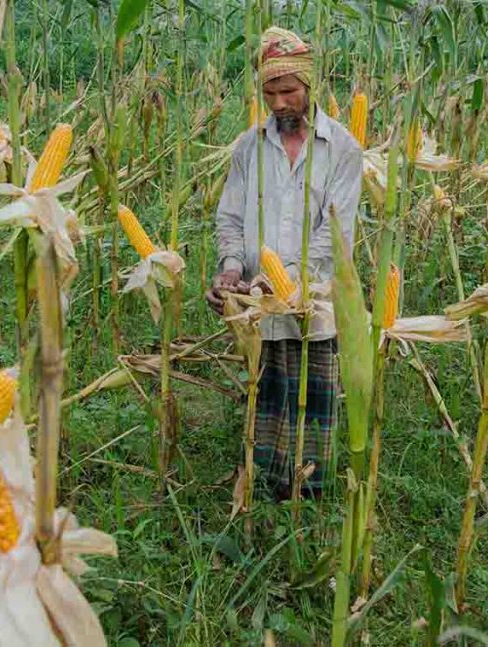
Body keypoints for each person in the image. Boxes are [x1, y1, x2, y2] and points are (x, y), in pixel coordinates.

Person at [205, 26, 362, 501]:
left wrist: (285, 285)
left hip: (312, 305)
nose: (278, 104)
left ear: (310, 87)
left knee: (311, 402)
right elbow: (229, 217)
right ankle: (263, 492)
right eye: (269, 93)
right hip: (257, 306)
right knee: (265, 398)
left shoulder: (342, 150)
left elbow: (334, 238)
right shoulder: (248, 148)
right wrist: (232, 268)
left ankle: (308, 501)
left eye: (288, 92)